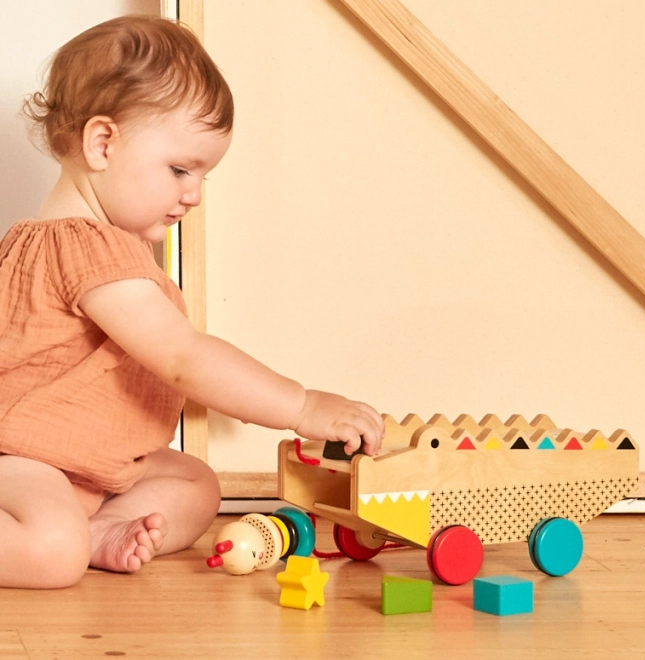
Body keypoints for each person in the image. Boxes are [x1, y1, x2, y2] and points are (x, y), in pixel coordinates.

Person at [0, 15, 384, 590]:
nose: (194, 194)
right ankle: (72, 538)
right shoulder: (86, 248)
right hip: (23, 462)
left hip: (90, 468)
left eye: (202, 175)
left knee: (197, 485)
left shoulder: (76, 245)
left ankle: (99, 530)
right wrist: (302, 406)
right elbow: (183, 357)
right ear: (102, 143)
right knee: (53, 551)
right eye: (180, 169)